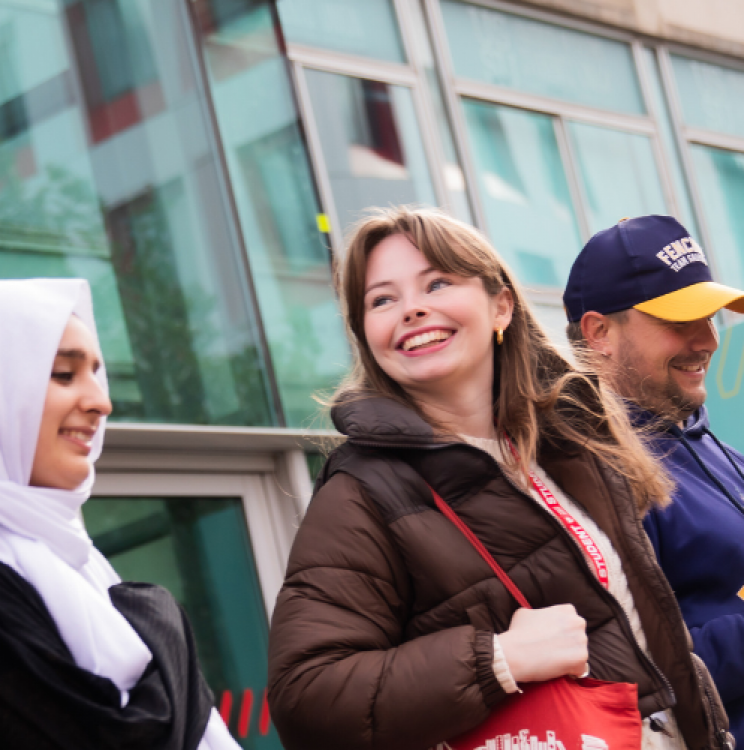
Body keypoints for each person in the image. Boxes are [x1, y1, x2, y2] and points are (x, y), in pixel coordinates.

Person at [267, 206, 730, 750]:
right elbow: (305, 696)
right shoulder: (362, 492)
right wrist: (497, 660)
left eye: (436, 283)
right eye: (382, 300)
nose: (411, 310)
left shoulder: (577, 443)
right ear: (367, 335)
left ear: (501, 305)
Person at [0, 277, 240, 750]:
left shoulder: (76, 560)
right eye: (63, 374)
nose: (101, 402)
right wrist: (163, 630)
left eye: (96, 374)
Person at [564, 214, 744, 747]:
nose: (707, 341)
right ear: (600, 333)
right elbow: (631, 675)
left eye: (709, 317)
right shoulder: (588, 471)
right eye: (678, 321)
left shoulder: (717, 450)